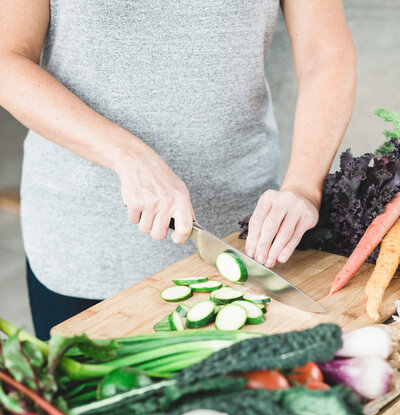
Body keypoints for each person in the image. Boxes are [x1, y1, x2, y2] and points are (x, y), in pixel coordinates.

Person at [0, 0, 356, 339]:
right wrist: (127, 154)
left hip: (242, 240)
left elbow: (325, 54)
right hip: (84, 243)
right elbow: (7, 58)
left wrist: (304, 187)